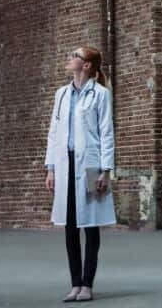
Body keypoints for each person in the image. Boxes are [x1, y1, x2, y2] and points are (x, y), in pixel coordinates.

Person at [45, 46, 116, 302]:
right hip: (65, 165)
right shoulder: (61, 94)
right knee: (70, 226)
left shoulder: (100, 94)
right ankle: (75, 284)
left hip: (90, 164)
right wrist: (51, 168)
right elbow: (54, 133)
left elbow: (107, 133)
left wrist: (105, 171)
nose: (70, 58)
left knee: (91, 225)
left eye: (75, 56)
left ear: (86, 66)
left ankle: (87, 285)